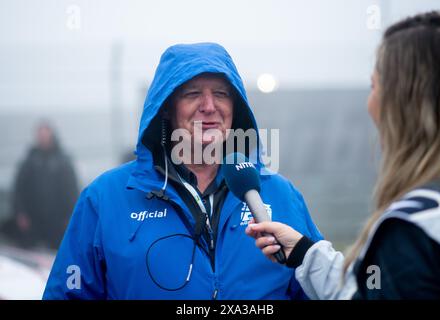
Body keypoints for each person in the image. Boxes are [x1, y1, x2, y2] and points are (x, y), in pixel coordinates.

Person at [43, 42, 323, 299]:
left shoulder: (281, 193)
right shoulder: (104, 199)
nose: (209, 107)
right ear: (166, 109)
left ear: (235, 108)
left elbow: (319, 289)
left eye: (221, 94)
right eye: (193, 94)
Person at [246, 11, 440, 300]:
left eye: (374, 86)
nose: (369, 103)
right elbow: (370, 290)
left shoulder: (415, 229)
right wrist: (305, 253)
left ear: (405, 104)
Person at [5, 121, 79, 250]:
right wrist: (20, 213)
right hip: (33, 219)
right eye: (40, 135)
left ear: (52, 136)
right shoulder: (29, 161)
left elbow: (72, 190)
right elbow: (19, 189)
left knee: (58, 252)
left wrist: (70, 216)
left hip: (57, 219)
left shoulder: (63, 160)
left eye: (45, 135)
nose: (43, 138)